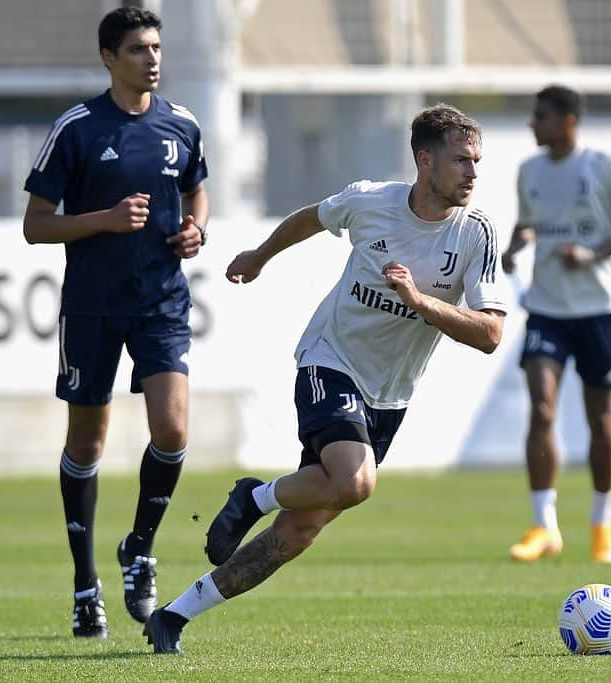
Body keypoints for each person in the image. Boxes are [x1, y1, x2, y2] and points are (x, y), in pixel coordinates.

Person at [141, 104, 507, 654]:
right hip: (330, 360)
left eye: (477, 161)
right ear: (425, 161)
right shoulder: (372, 202)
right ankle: (254, 497)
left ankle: (173, 614)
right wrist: (261, 256)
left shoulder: (477, 233)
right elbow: (312, 217)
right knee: (356, 482)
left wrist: (420, 301)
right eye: (461, 161)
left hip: (390, 395)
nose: (473, 173)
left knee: (298, 532)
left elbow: (490, 334)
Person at [22, 6, 208, 638]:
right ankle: (84, 583)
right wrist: (101, 218)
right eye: (137, 49)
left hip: (161, 302)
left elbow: (195, 188)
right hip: (93, 307)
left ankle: (141, 546)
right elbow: (35, 224)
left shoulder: (181, 123)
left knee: (174, 430)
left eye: (155, 47)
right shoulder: (77, 127)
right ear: (109, 58)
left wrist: (194, 228)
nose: (151, 58)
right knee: (87, 446)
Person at [501, 85, 611, 565]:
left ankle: (601, 522)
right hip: (547, 307)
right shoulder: (528, 171)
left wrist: (593, 254)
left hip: (595, 309)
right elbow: (527, 224)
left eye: (540, 116)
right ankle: (543, 526)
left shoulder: (601, 166)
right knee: (542, 409)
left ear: (568, 120)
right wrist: (515, 245)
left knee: (599, 420)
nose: (532, 124)